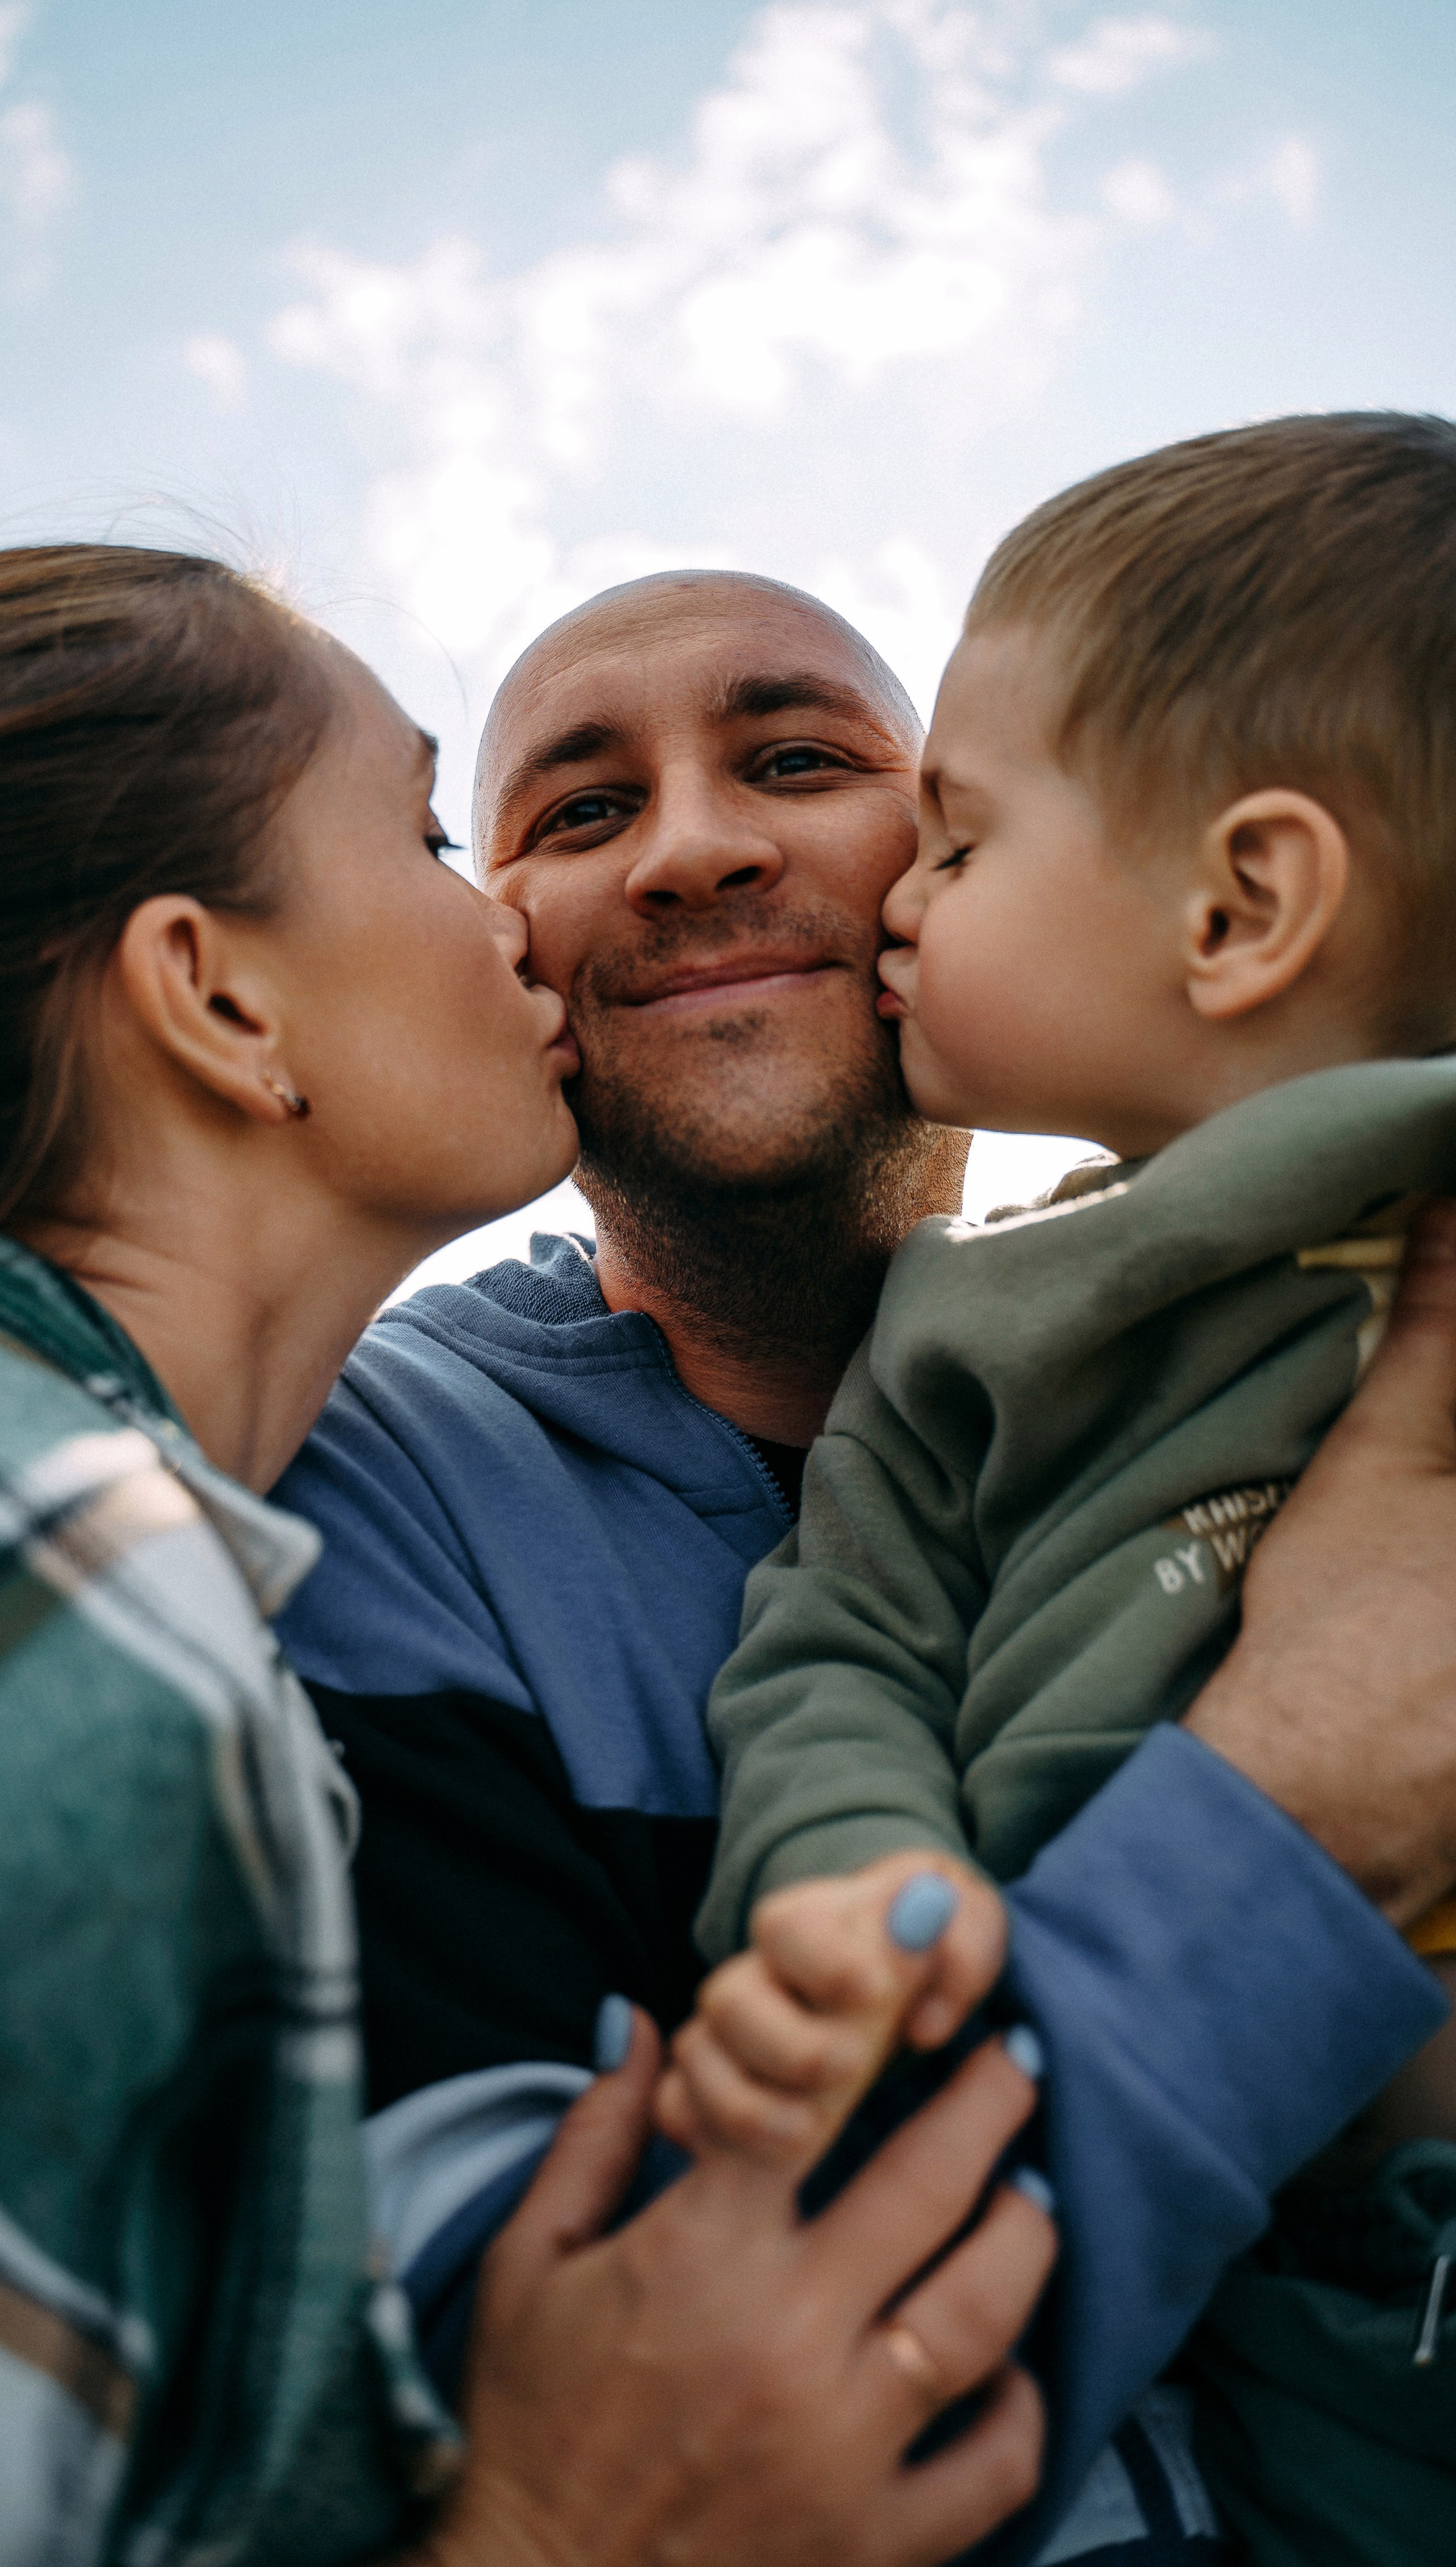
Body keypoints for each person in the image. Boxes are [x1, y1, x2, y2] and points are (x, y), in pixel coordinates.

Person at [0, 543, 1059, 2567]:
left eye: (798, 757)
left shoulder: (145, 1541)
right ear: (216, 990)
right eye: (459, 832)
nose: (641, 881)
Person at [269, 561, 1456, 2560]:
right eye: (577, 814)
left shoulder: (1343, 1260)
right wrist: (1307, 1814)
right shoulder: (360, 1482)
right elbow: (617, 2417)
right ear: (508, 954)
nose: (698, 851)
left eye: (802, 760)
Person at [699, 413, 1456, 2559]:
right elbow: (839, 1638)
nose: (903, 907)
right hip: (1283, 2302)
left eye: (956, 838)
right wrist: (847, 1878)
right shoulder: (971, 1319)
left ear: (1241, 904)